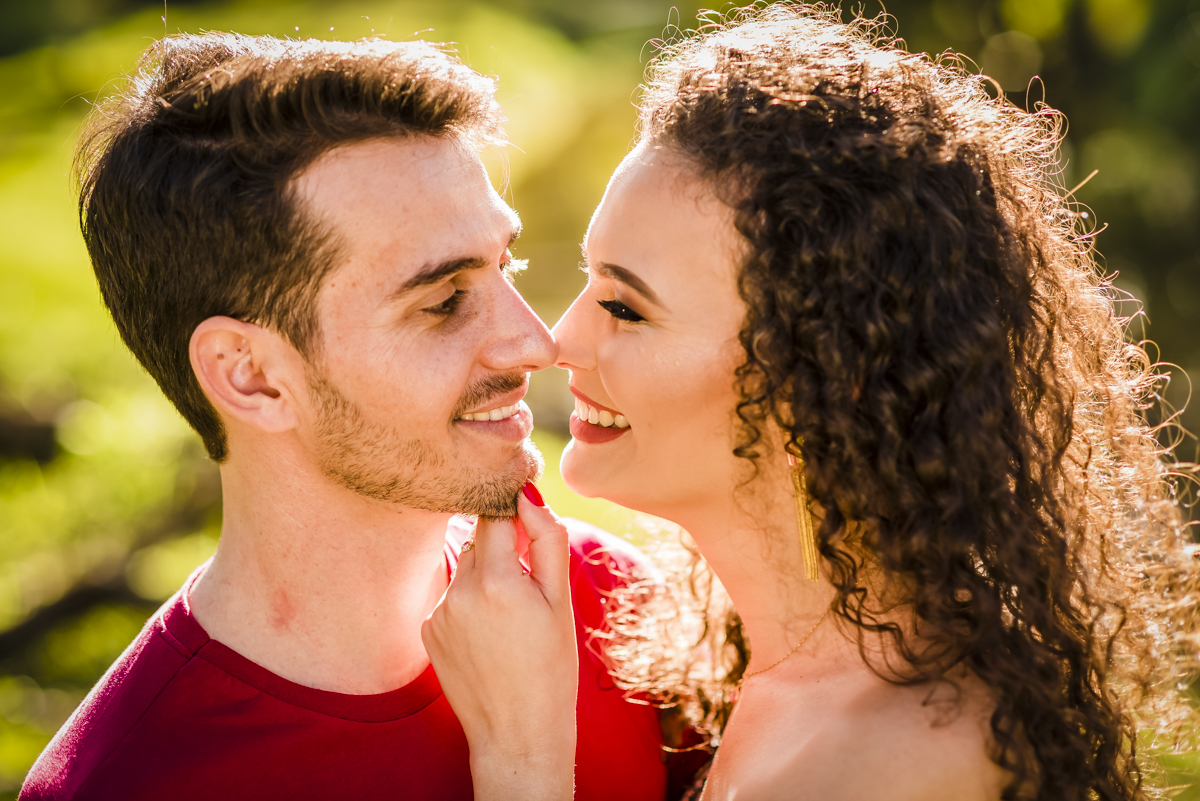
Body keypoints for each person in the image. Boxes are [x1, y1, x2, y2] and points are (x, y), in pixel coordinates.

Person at [430, 5, 1200, 801]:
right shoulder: (772, 680)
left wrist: (521, 755)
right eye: (589, 283)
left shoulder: (907, 756)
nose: (557, 340)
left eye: (626, 307)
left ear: (818, 375)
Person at [20, 33, 681, 801]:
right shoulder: (127, 784)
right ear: (251, 376)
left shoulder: (615, 606)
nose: (536, 342)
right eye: (444, 300)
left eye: (508, 265)